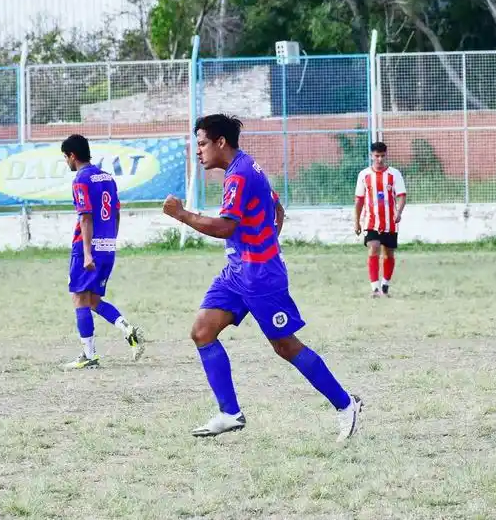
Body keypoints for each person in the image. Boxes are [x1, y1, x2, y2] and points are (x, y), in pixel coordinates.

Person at [162, 114, 362, 441]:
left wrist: (182, 215)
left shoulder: (239, 175)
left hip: (260, 278)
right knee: (202, 331)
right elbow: (276, 209)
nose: (198, 152)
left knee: (285, 346)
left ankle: (345, 405)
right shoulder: (245, 167)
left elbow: (226, 226)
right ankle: (230, 413)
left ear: (220, 142)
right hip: (237, 273)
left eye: (201, 144)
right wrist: (266, 241)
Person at [61, 134, 144, 369]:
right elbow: (116, 213)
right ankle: (126, 328)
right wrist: (109, 242)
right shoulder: (107, 177)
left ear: (72, 156)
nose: (66, 162)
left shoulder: (81, 179)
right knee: (94, 300)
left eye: (65, 157)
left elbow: (86, 217)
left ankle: (89, 356)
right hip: (108, 246)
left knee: (79, 297)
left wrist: (87, 253)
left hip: (88, 247)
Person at [354, 142, 407, 298]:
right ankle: (375, 289)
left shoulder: (394, 174)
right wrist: (356, 221)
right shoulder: (364, 175)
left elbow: (402, 196)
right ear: (371, 156)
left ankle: (385, 286)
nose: (380, 159)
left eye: (382, 156)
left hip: (390, 221)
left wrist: (399, 212)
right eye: (377, 156)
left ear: (386, 155)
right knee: (374, 246)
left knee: (388, 254)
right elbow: (359, 200)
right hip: (371, 221)